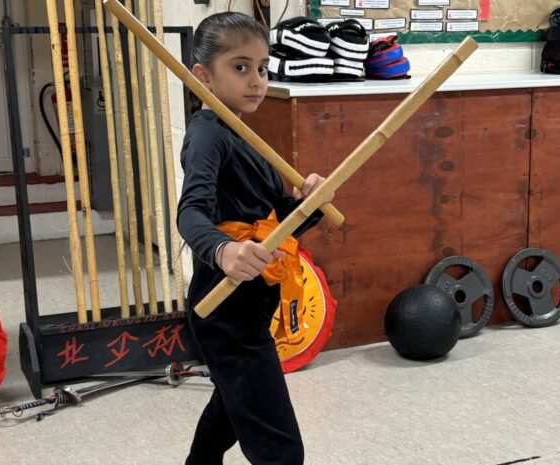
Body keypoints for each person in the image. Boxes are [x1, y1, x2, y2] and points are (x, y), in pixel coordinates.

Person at [177, 12, 333, 465]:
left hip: (248, 301)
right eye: (240, 66)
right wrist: (222, 250)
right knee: (280, 448)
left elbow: (272, 227)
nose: (256, 80)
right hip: (225, 308)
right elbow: (191, 212)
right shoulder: (207, 134)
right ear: (202, 76)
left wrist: (309, 204)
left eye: (262, 68)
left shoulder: (241, 133)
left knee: (229, 407)